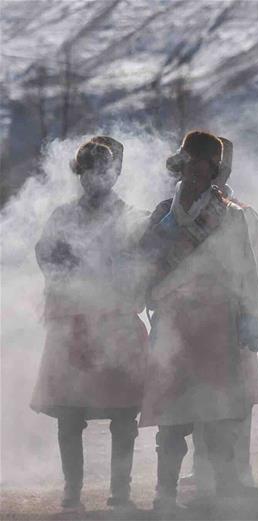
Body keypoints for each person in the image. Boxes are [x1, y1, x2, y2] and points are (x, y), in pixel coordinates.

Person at [139, 131, 258, 511]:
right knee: (174, 415)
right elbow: (144, 264)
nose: (195, 172)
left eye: (204, 165)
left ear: (214, 171)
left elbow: (246, 272)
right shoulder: (163, 213)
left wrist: (251, 315)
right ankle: (166, 493)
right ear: (181, 166)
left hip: (216, 322)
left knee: (219, 412)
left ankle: (226, 488)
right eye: (190, 164)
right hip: (174, 321)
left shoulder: (232, 214)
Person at [31, 137, 148, 513]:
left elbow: (141, 266)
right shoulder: (63, 218)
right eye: (88, 171)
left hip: (116, 321)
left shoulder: (130, 216)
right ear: (80, 174)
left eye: (104, 170)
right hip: (74, 323)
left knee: (123, 412)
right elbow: (47, 256)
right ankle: (73, 493)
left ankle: (121, 492)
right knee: (69, 412)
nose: (96, 178)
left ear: (114, 174)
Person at [186, 136, 258, 493]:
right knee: (198, 394)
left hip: (233, 313)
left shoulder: (243, 213)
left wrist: (254, 308)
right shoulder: (181, 207)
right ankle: (201, 469)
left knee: (237, 400)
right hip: (194, 314)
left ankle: (239, 470)